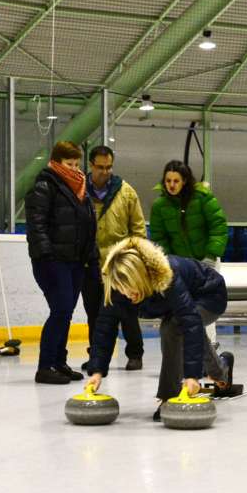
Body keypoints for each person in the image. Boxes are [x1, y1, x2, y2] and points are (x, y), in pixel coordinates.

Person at [84, 237, 234, 421]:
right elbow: (104, 327)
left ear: (140, 278)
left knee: (174, 327)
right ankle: (222, 368)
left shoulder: (167, 275)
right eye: (122, 290)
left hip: (209, 294)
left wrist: (191, 376)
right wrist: (97, 371)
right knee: (183, 327)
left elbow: (191, 321)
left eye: (131, 289)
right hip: (179, 306)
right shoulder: (118, 284)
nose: (127, 295)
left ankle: (168, 395)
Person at [25, 141, 97, 385]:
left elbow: (88, 225)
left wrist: (91, 254)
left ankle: (58, 361)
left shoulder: (80, 188)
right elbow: (37, 224)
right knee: (61, 310)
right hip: (53, 261)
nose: (74, 169)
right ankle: (45, 366)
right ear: (56, 163)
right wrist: (45, 255)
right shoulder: (44, 186)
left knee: (65, 313)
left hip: (76, 261)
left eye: (77, 164)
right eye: (69, 164)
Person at [79, 145, 148, 372]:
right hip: (90, 264)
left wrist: (133, 260)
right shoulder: (79, 191)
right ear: (90, 166)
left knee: (127, 313)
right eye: (100, 167)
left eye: (109, 167)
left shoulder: (126, 192)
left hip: (120, 266)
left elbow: (138, 230)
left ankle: (135, 354)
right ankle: (96, 357)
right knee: (94, 315)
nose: (105, 172)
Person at [149, 160, 228, 343]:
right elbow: (160, 238)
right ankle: (187, 349)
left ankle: (209, 347)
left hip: (205, 262)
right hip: (181, 267)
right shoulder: (160, 205)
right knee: (182, 306)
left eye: (176, 181)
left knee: (205, 306)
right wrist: (167, 263)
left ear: (184, 180)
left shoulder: (202, 198)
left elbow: (218, 226)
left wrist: (210, 255)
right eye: (168, 181)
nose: (171, 185)